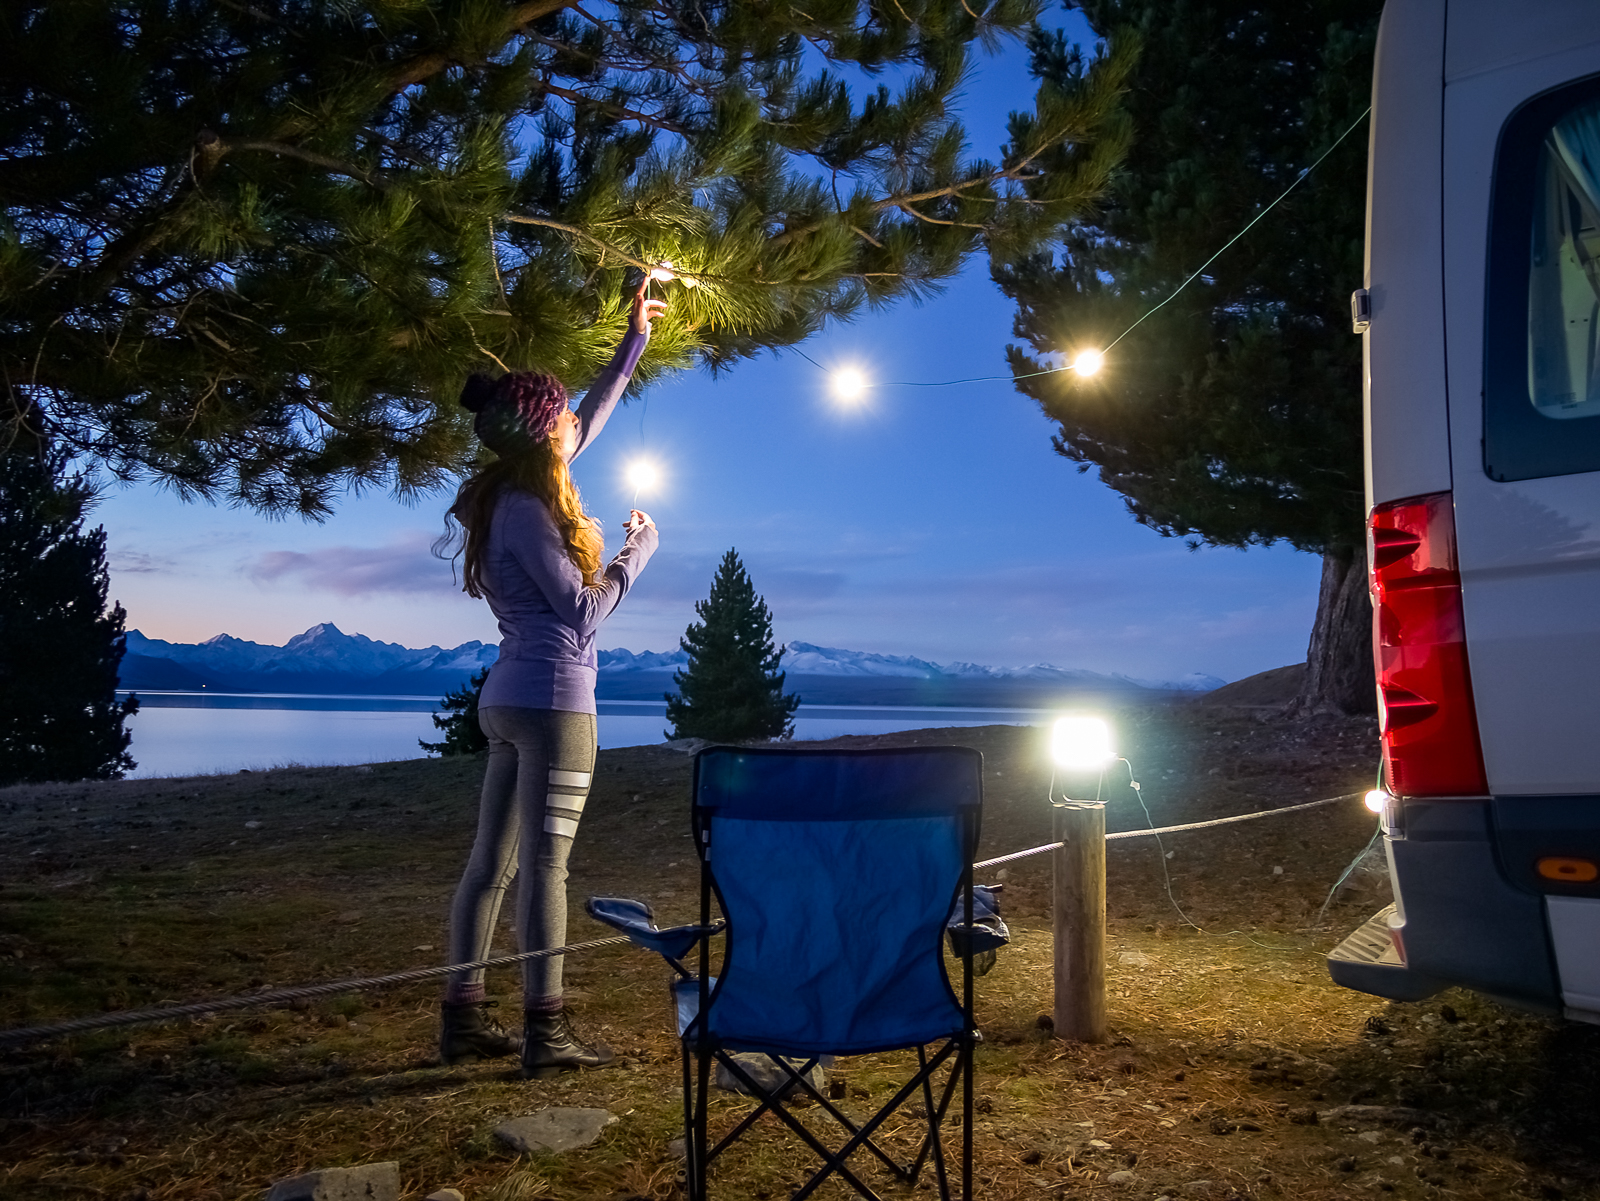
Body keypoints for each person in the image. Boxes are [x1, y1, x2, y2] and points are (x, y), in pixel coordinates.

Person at [438, 280, 665, 1077]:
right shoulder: (531, 511)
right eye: (563, 418)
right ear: (544, 436)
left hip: (505, 701)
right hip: (555, 701)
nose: (577, 424)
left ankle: (462, 1017)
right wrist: (637, 553)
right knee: (545, 868)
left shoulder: (513, 490)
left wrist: (633, 340)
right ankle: (547, 1029)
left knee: (489, 865)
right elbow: (579, 614)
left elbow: (591, 416)